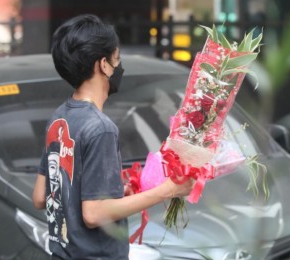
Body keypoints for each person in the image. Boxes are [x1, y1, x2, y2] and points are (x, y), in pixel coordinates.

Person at [32, 14, 194, 259]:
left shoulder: (59, 117)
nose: (118, 67)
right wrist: (169, 190)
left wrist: (112, 192)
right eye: (117, 59)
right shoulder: (101, 128)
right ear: (103, 65)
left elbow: (40, 197)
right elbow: (94, 214)